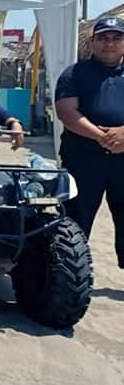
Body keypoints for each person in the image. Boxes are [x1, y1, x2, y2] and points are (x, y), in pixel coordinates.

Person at [56, 16, 124, 269]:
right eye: (103, 38)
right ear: (93, 42)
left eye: (116, 38)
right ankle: (67, 275)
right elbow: (67, 112)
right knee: (74, 223)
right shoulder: (75, 73)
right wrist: (104, 137)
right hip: (83, 160)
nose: (109, 44)